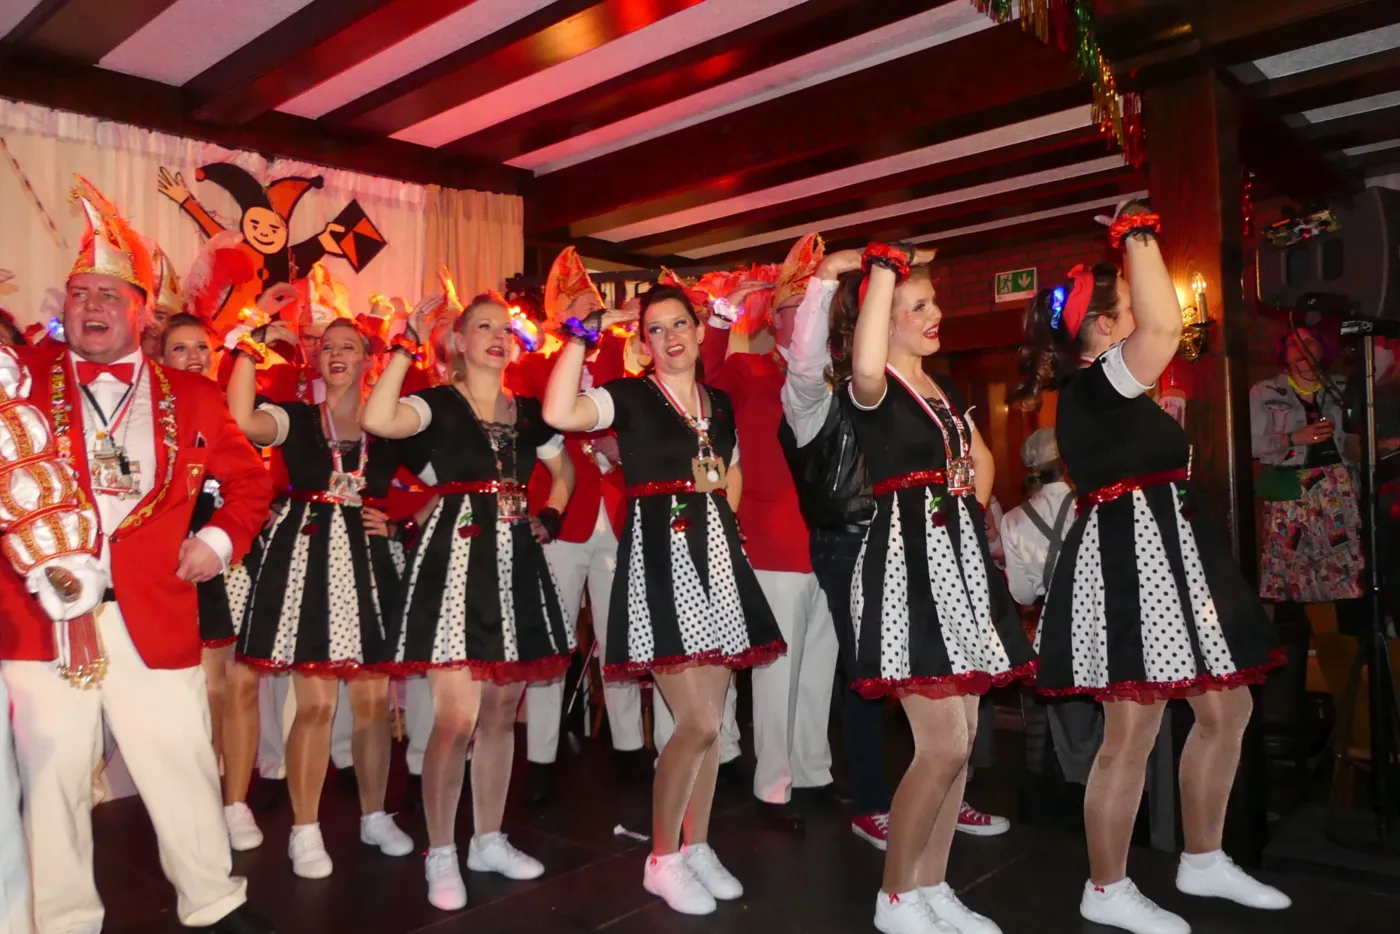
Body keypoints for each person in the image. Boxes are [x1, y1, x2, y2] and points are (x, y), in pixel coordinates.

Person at [0, 176, 274, 933]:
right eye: (79, 293)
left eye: (109, 295)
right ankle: (63, 921)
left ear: (142, 312)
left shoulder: (194, 394)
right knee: (52, 779)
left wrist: (217, 541)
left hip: (155, 613)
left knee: (183, 765)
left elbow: (250, 483)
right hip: (41, 621)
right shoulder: (19, 381)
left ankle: (213, 902)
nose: (90, 306)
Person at [1012, 202, 1290, 934]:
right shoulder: (1098, 382)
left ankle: (1203, 858)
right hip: (1130, 560)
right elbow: (1166, 329)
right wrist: (1137, 233)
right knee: (1131, 732)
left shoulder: (1106, 386)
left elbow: (1161, 328)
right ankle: (1105, 886)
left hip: (1169, 551)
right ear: (1105, 328)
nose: (1146, 319)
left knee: (1227, 708)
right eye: (1131, 308)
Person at [543, 285, 786, 917]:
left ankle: (695, 844)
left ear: (700, 330)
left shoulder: (719, 403)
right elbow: (560, 411)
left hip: (716, 559)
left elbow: (729, 468)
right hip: (659, 558)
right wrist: (580, 336)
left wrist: (726, 525)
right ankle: (661, 858)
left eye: (680, 324)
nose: (671, 337)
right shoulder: (628, 396)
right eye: (656, 328)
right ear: (643, 341)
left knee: (714, 721)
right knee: (697, 721)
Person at [833, 243, 1033, 934]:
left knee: (965, 737)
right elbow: (864, 363)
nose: (935, 313)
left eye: (933, 301)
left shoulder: (943, 389)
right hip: (906, 569)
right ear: (883, 320)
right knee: (942, 744)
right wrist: (882, 270)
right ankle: (895, 896)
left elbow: (980, 459)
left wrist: (965, 519)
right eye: (917, 306)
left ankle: (933, 884)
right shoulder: (874, 386)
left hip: (957, 564)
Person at [364, 291, 576, 911]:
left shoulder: (529, 412)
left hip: (514, 560)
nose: (497, 336)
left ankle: (487, 839)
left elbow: (564, 472)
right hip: (454, 560)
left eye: (504, 328)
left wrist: (552, 513)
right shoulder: (435, 405)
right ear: (458, 341)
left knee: (503, 708)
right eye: (482, 327)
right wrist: (404, 346)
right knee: (455, 719)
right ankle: (440, 851)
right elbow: (378, 420)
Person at [225, 316, 413, 878]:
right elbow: (241, 419)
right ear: (315, 358)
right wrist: (249, 348)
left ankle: (374, 815)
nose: (336, 354)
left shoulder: (389, 422)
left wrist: (404, 523)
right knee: (317, 704)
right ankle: (304, 831)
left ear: (367, 359)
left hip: (370, 561)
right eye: (327, 346)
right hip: (307, 559)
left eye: (349, 347)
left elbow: (448, 478)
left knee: (374, 705)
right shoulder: (297, 416)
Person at [700, 234, 840, 830]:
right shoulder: (749, 368)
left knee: (819, 668)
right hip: (772, 537)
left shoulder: (839, 375)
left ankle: (813, 772)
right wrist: (722, 313)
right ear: (778, 317)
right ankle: (774, 785)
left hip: (830, 540)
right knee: (778, 671)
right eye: (798, 306)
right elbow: (705, 376)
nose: (810, 315)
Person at [518, 251, 645, 801]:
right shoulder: (532, 366)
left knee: (619, 637)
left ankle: (629, 748)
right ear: (556, 315)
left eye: (591, 305)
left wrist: (623, 448)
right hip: (562, 514)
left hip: (613, 515)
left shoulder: (621, 359)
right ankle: (540, 758)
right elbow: (539, 427)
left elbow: (642, 422)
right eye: (575, 306)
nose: (588, 314)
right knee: (555, 640)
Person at [1000, 429, 1103, 798]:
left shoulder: (1014, 518)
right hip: (1104, 620)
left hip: (1057, 629)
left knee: (1070, 726)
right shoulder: (1095, 504)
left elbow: (1022, 594)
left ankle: (1081, 798)